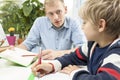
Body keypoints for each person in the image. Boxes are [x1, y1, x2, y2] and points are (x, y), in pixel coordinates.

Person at [31, 0, 120, 80]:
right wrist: (52, 66)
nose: (82, 27)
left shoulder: (116, 54)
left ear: (100, 25)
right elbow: (73, 57)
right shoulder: (92, 45)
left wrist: (75, 72)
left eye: (85, 22)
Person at [17, 0, 87, 60]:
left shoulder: (73, 23)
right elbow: (28, 43)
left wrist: (58, 54)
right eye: (50, 13)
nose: (55, 17)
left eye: (58, 12)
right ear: (46, 14)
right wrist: (14, 51)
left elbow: (83, 48)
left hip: (63, 62)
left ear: (65, 9)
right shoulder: (39, 22)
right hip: (41, 61)